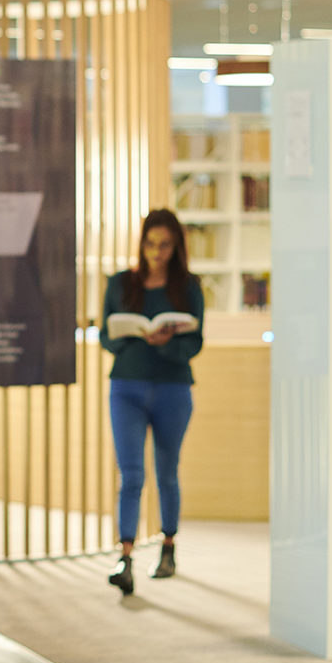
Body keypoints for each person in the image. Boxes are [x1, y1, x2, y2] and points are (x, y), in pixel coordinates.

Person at [103, 208, 204, 594]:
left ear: (176, 245)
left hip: (173, 389)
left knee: (167, 471)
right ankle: (125, 556)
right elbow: (106, 338)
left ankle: (168, 547)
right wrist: (132, 337)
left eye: (164, 245)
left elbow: (195, 341)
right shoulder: (120, 284)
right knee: (130, 474)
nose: (156, 252)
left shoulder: (188, 286)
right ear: (141, 243)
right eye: (150, 244)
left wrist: (167, 345)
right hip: (126, 386)